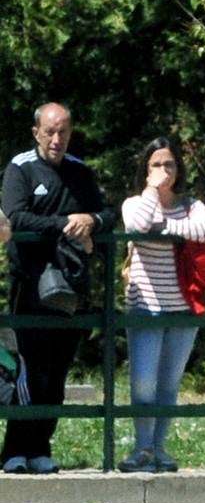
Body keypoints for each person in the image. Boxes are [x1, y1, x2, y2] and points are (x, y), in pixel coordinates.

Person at [1, 102, 117, 474]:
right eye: (50, 131)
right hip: (30, 287)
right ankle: (14, 450)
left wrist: (91, 220)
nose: (56, 139)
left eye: (63, 131)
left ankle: (40, 448)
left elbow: (108, 215)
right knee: (29, 371)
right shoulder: (19, 168)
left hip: (71, 289)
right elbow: (15, 215)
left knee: (58, 372)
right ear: (36, 132)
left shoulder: (80, 172)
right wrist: (64, 224)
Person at [119, 138, 205, 473]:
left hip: (182, 307)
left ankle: (159, 449)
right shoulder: (135, 202)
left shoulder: (191, 205)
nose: (163, 172)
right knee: (143, 382)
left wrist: (167, 227)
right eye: (156, 165)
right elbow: (137, 226)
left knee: (169, 384)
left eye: (169, 165)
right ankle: (142, 448)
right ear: (145, 170)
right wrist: (152, 193)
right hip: (144, 306)